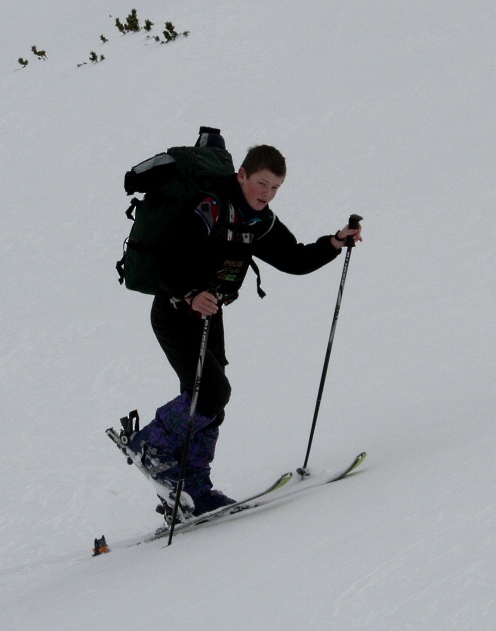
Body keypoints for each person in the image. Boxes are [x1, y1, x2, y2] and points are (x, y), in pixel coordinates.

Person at [125, 131, 362, 517]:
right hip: (175, 313)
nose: (267, 193)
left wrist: (334, 243)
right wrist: (188, 293)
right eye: (262, 183)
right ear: (241, 176)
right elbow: (168, 258)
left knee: (211, 405)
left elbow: (294, 259)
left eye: (275, 187)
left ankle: (193, 488)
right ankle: (149, 445)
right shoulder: (210, 208)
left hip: (209, 316)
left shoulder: (258, 221)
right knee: (212, 394)